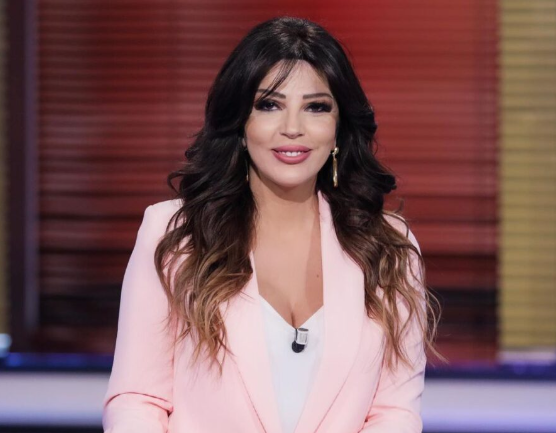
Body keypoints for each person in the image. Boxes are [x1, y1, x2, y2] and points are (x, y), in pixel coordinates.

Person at [102, 15, 440, 433]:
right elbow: (138, 400)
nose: (292, 129)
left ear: (338, 129)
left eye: (316, 107)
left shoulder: (387, 247)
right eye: (269, 105)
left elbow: (394, 413)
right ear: (240, 123)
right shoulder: (175, 235)